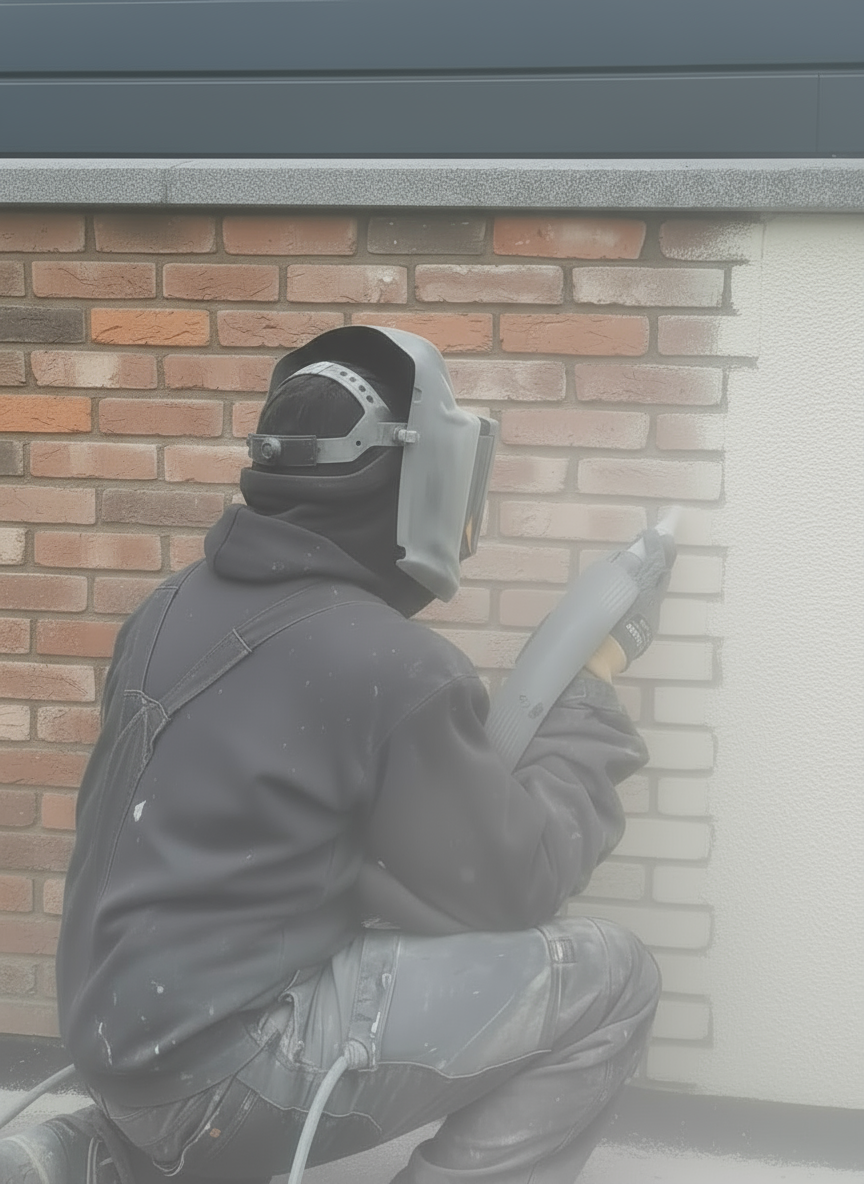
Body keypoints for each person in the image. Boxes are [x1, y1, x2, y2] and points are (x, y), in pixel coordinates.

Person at [0, 327, 667, 1184]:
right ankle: (185, 1136)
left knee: (182, 1089)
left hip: (119, 1051)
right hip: (228, 1077)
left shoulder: (163, 611)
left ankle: (88, 1155)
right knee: (614, 978)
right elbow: (520, 881)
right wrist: (593, 692)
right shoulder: (389, 664)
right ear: (418, 479)